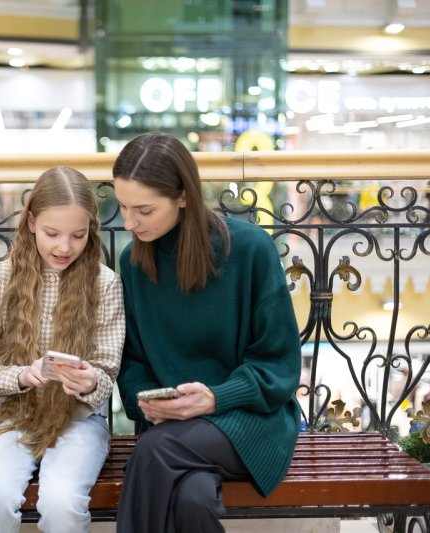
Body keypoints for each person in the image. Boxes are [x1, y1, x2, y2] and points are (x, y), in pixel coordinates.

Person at [112, 132, 301, 533]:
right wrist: (149, 404)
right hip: (173, 428)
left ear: (183, 195)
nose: (129, 222)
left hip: (252, 420)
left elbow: (279, 366)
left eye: (144, 209)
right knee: (192, 498)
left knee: (154, 451)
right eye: (123, 206)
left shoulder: (250, 249)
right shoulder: (132, 262)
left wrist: (215, 398)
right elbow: (132, 364)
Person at [0, 166, 125, 533]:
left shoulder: (104, 283)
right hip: (10, 418)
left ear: (91, 232)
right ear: (32, 222)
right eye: (53, 233)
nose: (64, 247)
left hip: (80, 420)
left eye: (78, 235)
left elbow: (107, 369)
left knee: (62, 503)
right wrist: (22, 374)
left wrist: (87, 382)